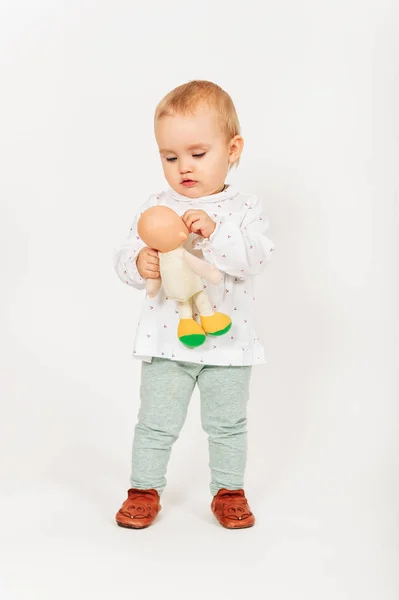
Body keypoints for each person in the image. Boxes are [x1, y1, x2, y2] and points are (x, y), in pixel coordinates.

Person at [113, 80, 275, 529]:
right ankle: (143, 488)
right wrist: (138, 262)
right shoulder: (157, 204)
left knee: (226, 426)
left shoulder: (244, 208)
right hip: (168, 343)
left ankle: (229, 490)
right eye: (170, 157)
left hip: (229, 343)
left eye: (197, 154)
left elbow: (255, 259)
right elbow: (125, 255)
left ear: (233, 148)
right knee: (155, 423)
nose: (183, 166)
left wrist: (215, 231)